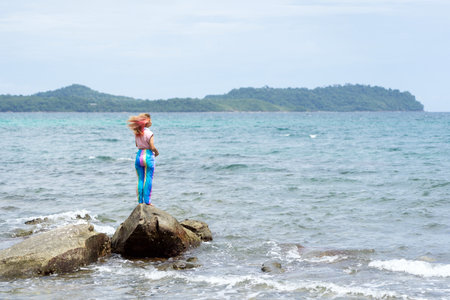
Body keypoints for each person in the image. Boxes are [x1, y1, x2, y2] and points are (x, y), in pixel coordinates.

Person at [127, 113, 159, 205]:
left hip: (139, 156)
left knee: (140, 179)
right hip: (148, 156)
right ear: (147, 121)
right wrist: (156, 152)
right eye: (150, 120)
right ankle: (148, 201)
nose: (151, 122)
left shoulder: (137, 133)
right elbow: (152, 147)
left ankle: (140, 201)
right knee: (148, 178)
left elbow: (137, 145)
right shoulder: (150, 133)